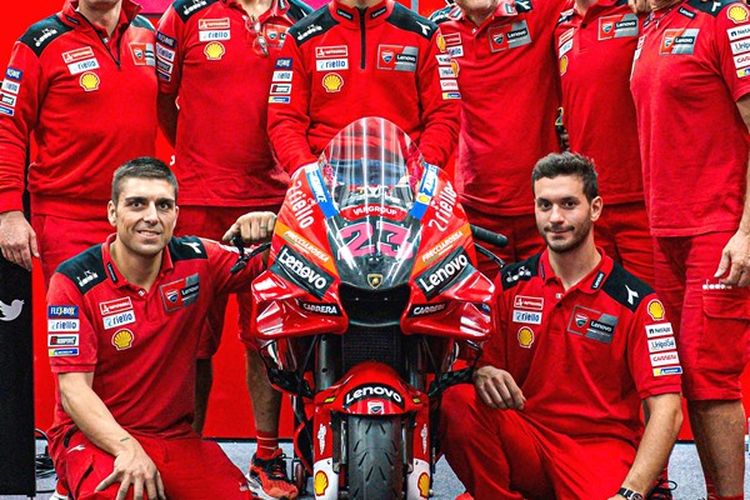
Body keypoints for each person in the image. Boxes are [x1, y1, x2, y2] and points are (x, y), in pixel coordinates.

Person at [440, 153, 683, 499]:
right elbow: (474, 369)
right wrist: (482, 372)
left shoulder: (639, 303)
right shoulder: (508, 286)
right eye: (545, 205)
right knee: (458, 400)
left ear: (595, 208)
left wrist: (631, 493)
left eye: (569, 204)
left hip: (599, 452)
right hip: (528, 438)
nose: (555, 218)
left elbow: (667, 411)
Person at [45, 157, 275, 500]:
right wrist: (127, 448)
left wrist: (275, 226)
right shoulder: (72, 281)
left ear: (176, 215)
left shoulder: (199, 259)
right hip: (93, 436)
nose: (151, 216)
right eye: (137, 204)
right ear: (112, 213)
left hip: (172, 438)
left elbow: (274, 259)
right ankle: (69, 485)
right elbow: (73, 392)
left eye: (163, 205)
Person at [156, 0, 310, 496]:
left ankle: (267, 455)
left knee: (266, 336)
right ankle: (187, 450)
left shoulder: (302, 20)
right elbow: (162, 96)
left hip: (272, 203)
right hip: (198, 203)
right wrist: (198, 162)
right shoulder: (184, 16)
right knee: (190, 340)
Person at [630, 0, 750, 497]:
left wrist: (747, 232)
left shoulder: (725, 18)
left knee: (709, 380)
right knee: (672, 376)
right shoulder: (651, 23)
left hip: (718, 230)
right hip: (665, 232)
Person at [0, 0, 157, 284]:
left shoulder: (147, 33)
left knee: (139, 312)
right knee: (74, 311)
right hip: (68, 219)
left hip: (136, 214)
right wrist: (8, 212)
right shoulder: (38, 42)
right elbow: (7, 128)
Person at [429, 0, 565, 277]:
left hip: (543, 204)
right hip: (476, 210)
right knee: (487, 302)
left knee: (548, 298)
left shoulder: (537, 10)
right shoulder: (436, 31)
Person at [266, 0, 460, 173]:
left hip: (405, 179)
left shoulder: (425, 34)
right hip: (324, 180)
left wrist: (420, 171)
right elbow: (285, 119)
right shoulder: (300, 37)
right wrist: (306, 171)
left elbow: (444, 114)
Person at [554, 0, 652, 284]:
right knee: (598, 305)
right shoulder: (560, 24)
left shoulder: (640, 9)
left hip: (643, 200)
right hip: (589, 202)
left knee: (653, 305)